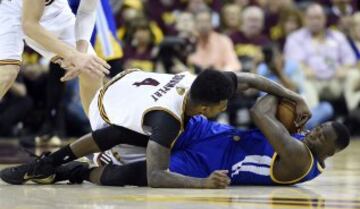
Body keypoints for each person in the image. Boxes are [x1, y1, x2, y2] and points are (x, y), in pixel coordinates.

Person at [0, 68, 311, 188]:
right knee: (132, 170)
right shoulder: (167, 120)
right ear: (205, 108)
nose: (226, 108)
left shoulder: (205, 84)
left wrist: (292, 95)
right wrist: (202, 185)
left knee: (140, 141)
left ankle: (52, 165)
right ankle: (65, 169)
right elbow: (156, 176)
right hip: (105, 110)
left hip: (129, 85)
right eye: (223, 106)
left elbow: (252, 80)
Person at [7, 95, 350, 188]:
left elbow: (262, 112)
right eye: (318, 129)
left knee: (132, 177)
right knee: (128, 129)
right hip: (211, 134)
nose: (313, 132)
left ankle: (75, 172)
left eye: (321, 138)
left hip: (214, 164)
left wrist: (285, 94)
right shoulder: (302, 141)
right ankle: (50, 162)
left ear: (330, 153)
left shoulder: (298, 158)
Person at [0, 0, 110, 115]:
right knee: (6, 72)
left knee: (92, 70)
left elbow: (86, 11)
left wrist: (81, 54)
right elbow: (29, 25)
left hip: (53, 9)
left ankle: (99, 128)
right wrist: (73, 55)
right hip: (10, 8)